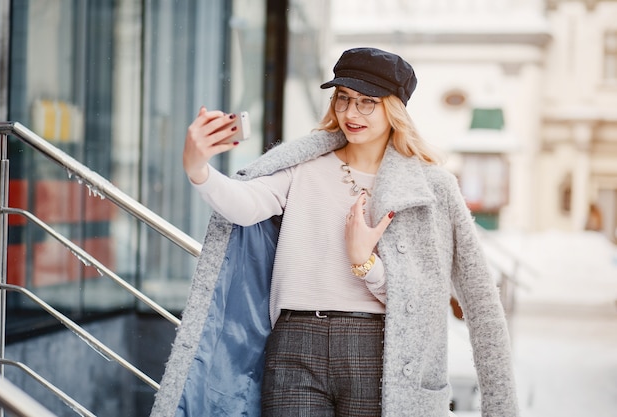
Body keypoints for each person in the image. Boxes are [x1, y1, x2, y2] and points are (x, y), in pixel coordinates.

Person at [151, 47, 519, 417]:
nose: (350, 113)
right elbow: (244, 206)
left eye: (366, 103)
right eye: (343, 99)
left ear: (394, 109)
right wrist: (198, 169)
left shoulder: (432, 188)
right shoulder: (302, 166)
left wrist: (365, 264)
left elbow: (474, 303)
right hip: (295, 346)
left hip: (379, 354)